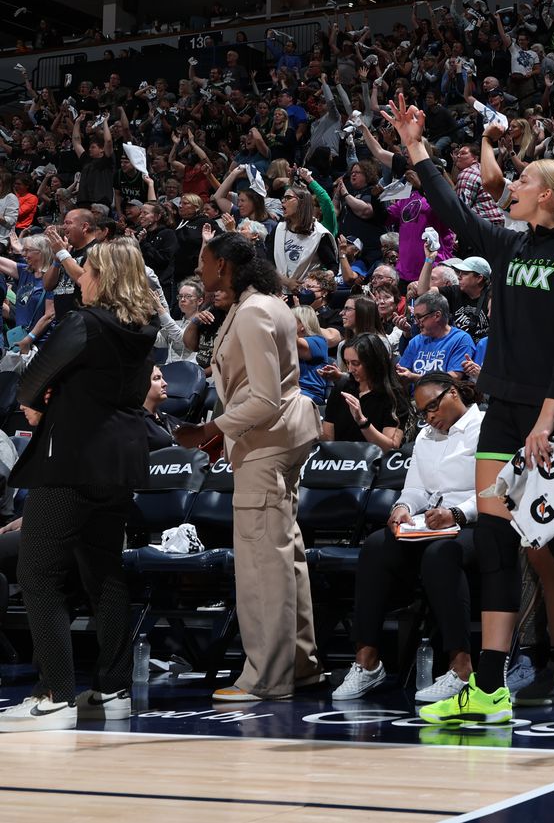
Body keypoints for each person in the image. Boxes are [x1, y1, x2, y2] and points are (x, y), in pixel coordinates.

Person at [385, 93, 554, 724]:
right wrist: (416, 148)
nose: (509, 187)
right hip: (503, 410)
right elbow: (454, 209)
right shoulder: (510, 247)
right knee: (494, 543)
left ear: (547, 194)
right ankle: (489, 687)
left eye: (521, 180)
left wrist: (547, 422)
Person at [0, 240, 159, 732]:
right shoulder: (144, 329)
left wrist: (40, 401)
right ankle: (111, 690)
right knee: (103, 572)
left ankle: (55, 694)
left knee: (39, 573)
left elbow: (31, 378)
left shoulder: (85, 323)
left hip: (72, 458)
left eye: (86, 269)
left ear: (104, 277)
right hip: (120, 463)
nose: (80, 277)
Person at [175, 232, 324, 702]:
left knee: (263, 565)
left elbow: (262, 398)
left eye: (203, 260)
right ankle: (300, 666)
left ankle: (266, 677)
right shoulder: (267, 303)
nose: (200, 270)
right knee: (287, 557)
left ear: (222, 263)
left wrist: (209, 430)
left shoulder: (255, 310)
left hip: (267, 441)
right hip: (278, 436)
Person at [332, 372, 483, 704]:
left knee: (441, 554)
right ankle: (368, 662)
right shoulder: (428, 436)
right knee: (374, 546)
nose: (429, 418)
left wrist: (457, 514)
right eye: (423, 412)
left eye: (432, 408)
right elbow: (415, 489)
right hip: (431, 522)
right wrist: (402, 507)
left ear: (454, 394)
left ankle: (461, 669)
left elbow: (492, 491)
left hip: (475, 525)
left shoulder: (483, 428)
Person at [323, 334, 409, 450]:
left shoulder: (393, 396)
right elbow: (327, 439)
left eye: (355, 363)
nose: (349, 369)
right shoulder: (341, 388)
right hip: (339, 462)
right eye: (347, 363)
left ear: (373, 362)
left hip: (372, 464)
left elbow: (390, 448)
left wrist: (363, 422)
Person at [396, 292, 476, 381]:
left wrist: (415, 378)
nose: (416, 323)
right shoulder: (416, 341)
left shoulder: (461, 339)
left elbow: (454, 377)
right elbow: (402, 372)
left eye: (419, 317)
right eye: (415, 318)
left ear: (437, 316)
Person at [292, 307, 331, 406]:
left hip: (308, 397)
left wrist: (279, 312)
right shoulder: (286, 344)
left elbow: (297, 343)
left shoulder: (319, 341)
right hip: (291, 393)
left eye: (290, 320)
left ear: (303, 325)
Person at [143, 364, 181, 450]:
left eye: (162, 378)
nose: (165, 384)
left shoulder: (168, 419)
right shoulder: (136, 422)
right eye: (157, 378)